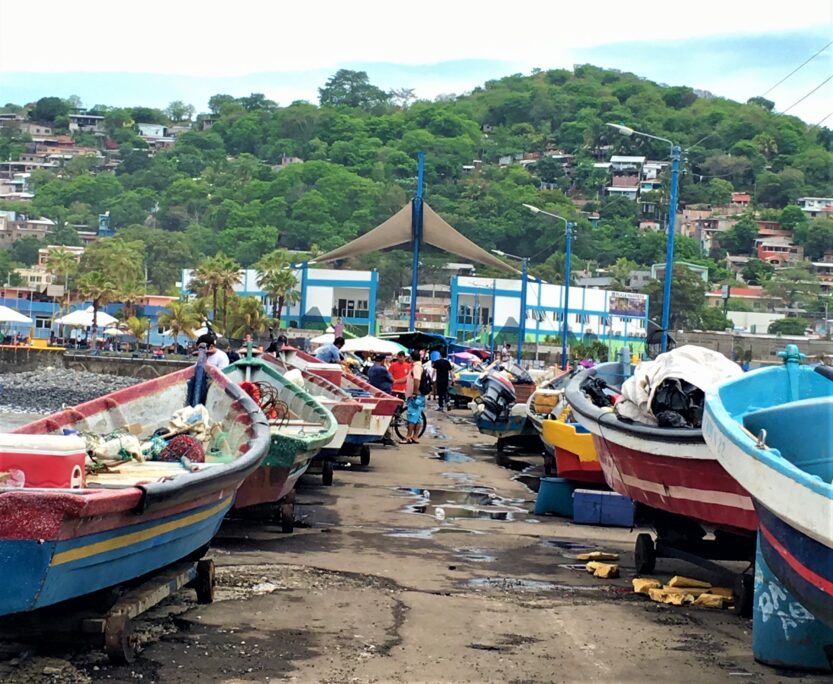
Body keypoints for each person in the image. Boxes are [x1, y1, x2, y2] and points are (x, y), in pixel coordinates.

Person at [402, 350, 425, 444]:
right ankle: (415, 437)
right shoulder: (419, 366)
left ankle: (408, 437)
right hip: (420, 395)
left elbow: (417, 380)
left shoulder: (416, 367)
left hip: (416, 396)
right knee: (418, 417)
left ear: (412, 358)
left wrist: (414, 393)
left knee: (412, 417)